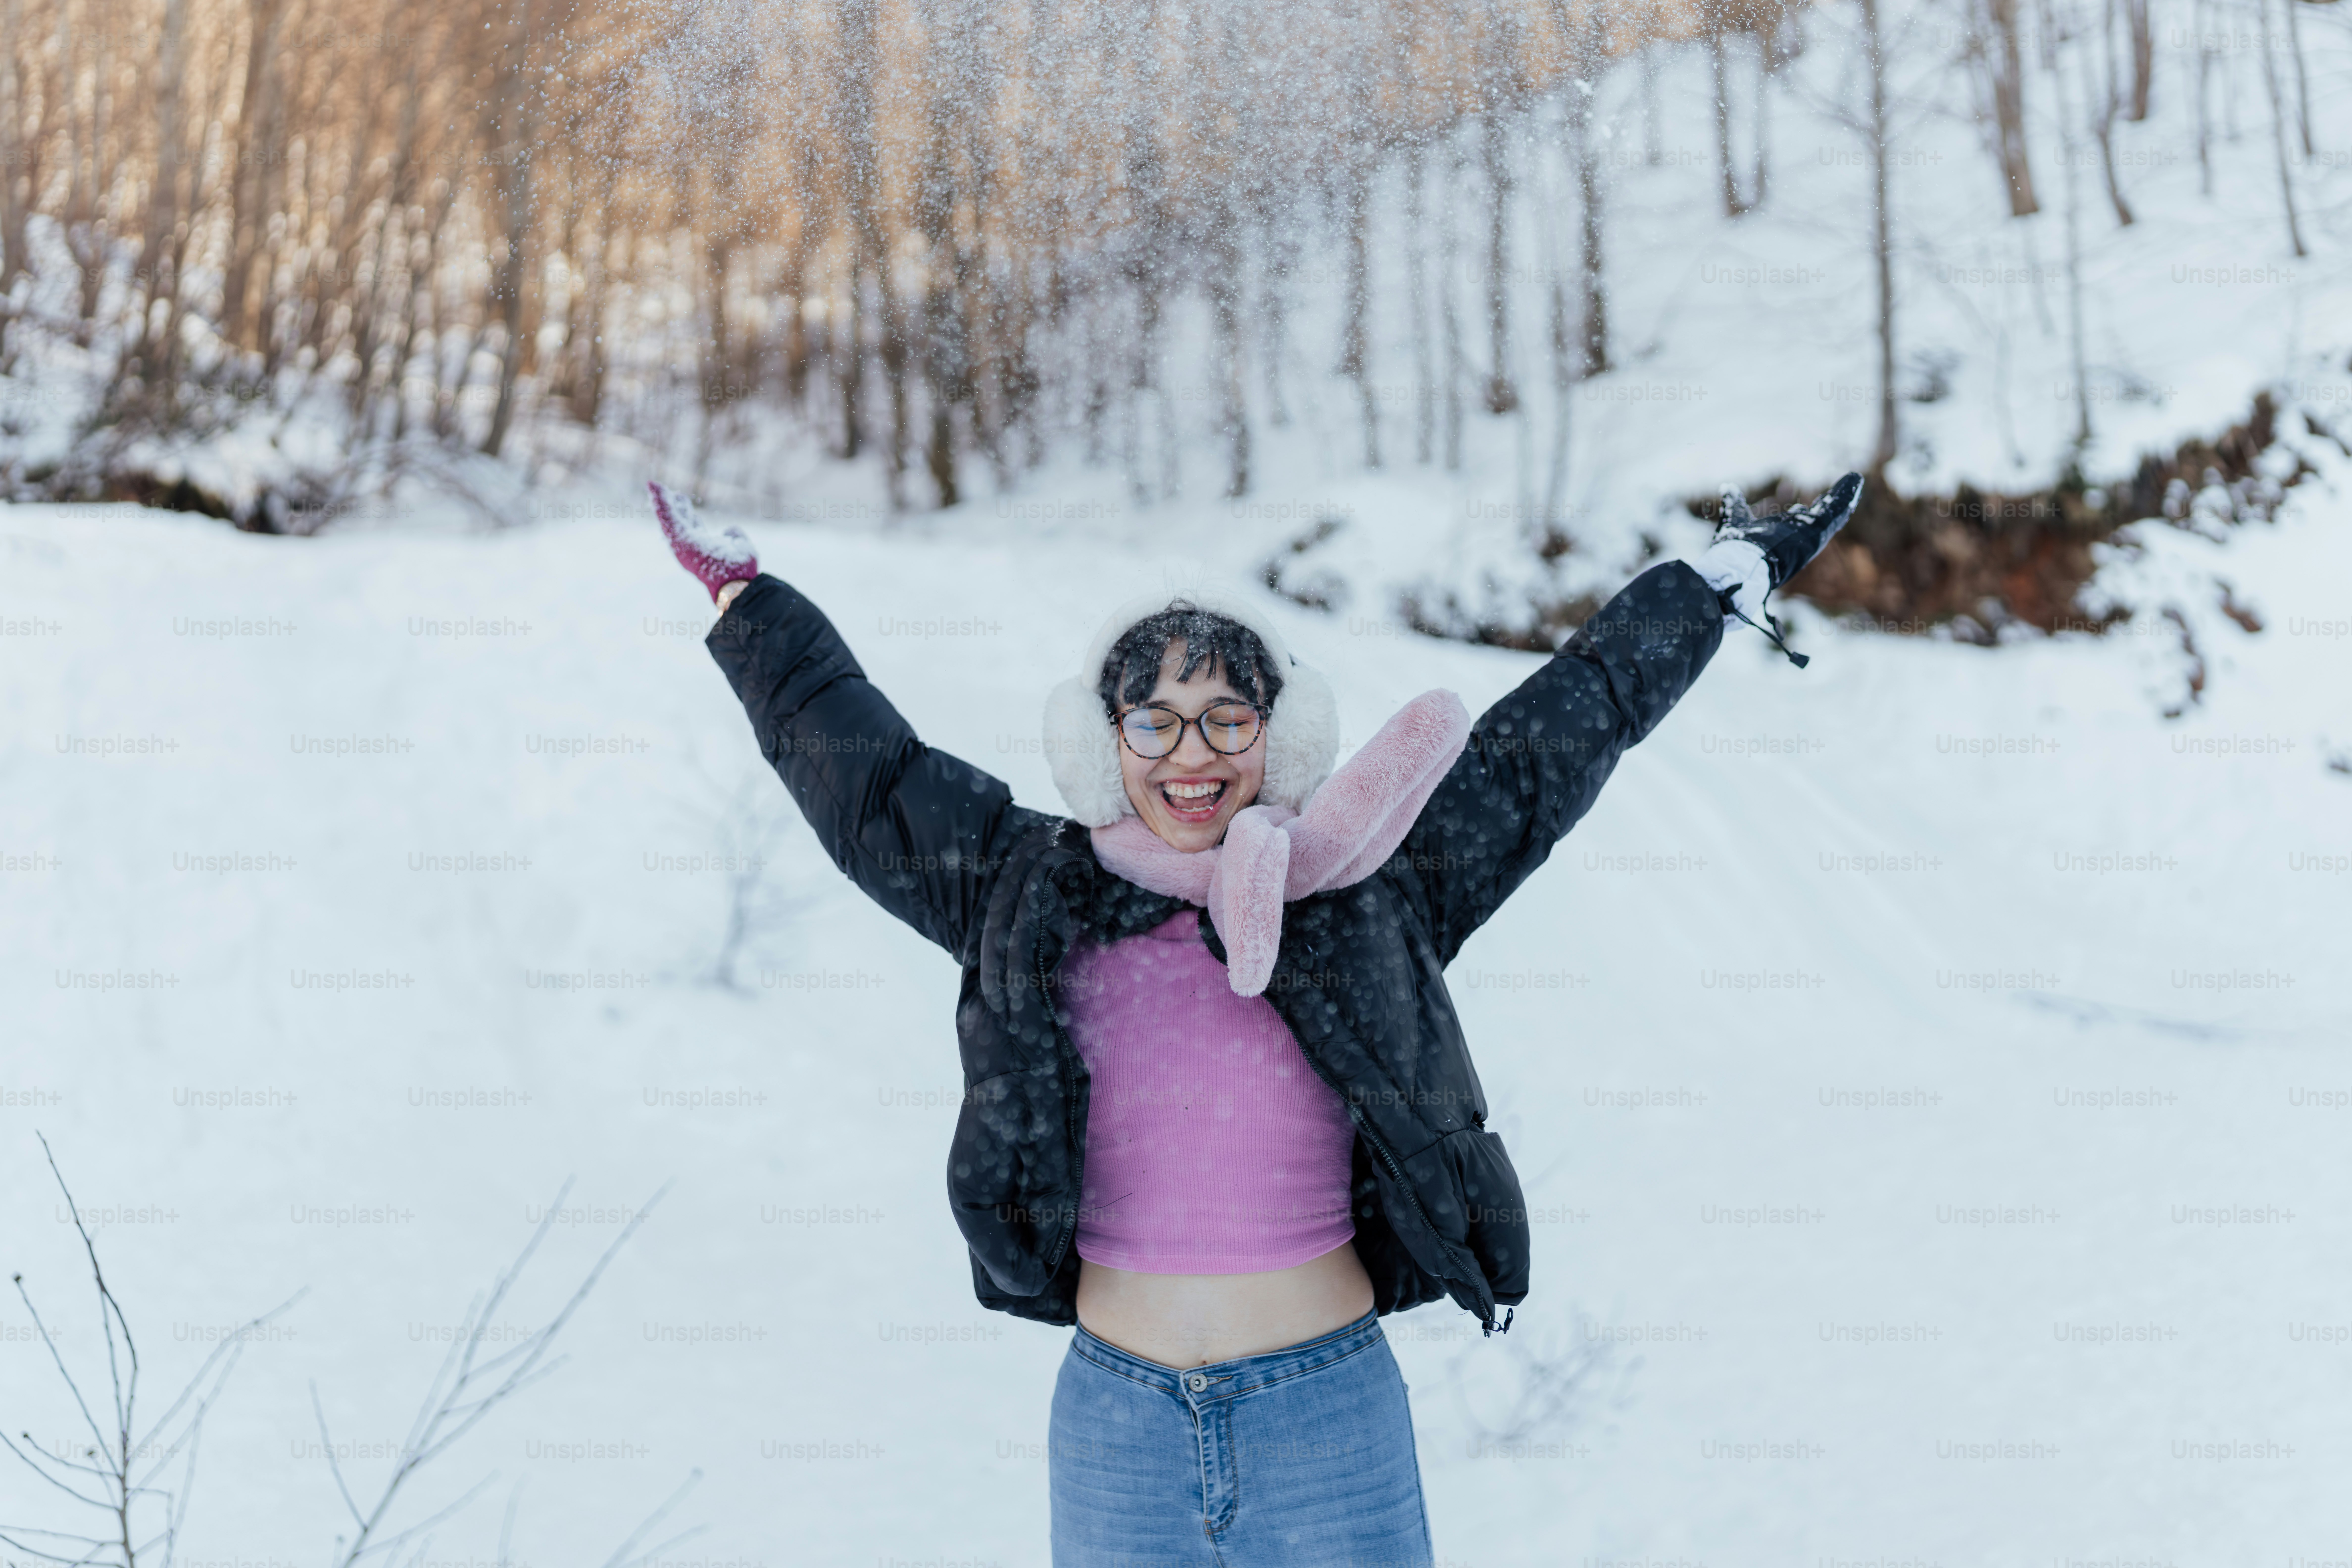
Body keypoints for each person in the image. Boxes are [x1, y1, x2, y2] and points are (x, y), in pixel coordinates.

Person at [649, 472, 1862, 1567]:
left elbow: (1551, 740)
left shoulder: (1366, 886)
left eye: (1228, 717)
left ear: (1279, 734)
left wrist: (1706, 591)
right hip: (1116, 1431)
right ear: (1104, 741)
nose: (1193, 754)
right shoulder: (1029, 892)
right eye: (1154, 720)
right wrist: (745, 599)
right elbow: (863, 775)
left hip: (1326, 1421)